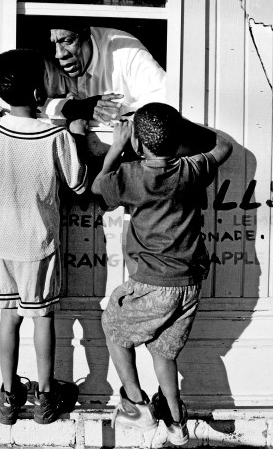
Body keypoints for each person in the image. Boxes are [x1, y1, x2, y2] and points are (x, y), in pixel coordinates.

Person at [91, 102, 233, 445]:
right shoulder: (192, 169)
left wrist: (114, 148)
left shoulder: (130, 175)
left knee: (112, 328)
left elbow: (98, 189)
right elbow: (224, 144)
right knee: (163, 351)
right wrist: (181, 125)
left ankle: (136, 404)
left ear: (137, 145)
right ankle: (174, 418)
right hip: (188, 284)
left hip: (151, 284)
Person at [0, 49, 88, 425]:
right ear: (39, 95)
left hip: (1, 243)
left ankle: (7, 395)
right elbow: (78, 183)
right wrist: (78, 135)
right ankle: (46, 397)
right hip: (38, 244)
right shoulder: (56, 135)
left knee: (9, 316)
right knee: (43, 317)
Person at [42, 20, 167, 125]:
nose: (59, 54)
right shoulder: (49, 59)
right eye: (54, 43)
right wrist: (74, 107)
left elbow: (164, 102)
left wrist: (118, 111)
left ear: (86, 33)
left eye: (68, 41)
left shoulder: (125, 49)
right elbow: (31, 106)